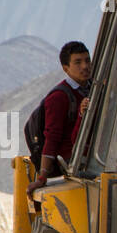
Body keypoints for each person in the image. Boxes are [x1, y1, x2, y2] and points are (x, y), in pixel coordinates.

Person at [29, 40, 91, 192]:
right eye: (77, 62)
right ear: (66, 68)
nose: (85, 66)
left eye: (87, 60)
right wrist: (43, 176)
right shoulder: (59, 97)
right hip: (74, 164)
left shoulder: (93, 89)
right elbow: (52, 137)